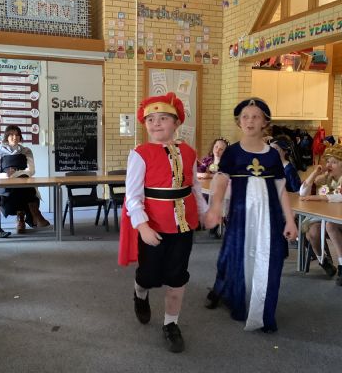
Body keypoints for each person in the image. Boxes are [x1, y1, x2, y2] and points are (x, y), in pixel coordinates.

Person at [118, 92, 210, 353]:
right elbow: (133, 196)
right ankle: (140, 293)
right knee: (148, 276)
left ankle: (171, 324)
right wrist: (142, 226)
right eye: (150, 119)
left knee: (177, 277)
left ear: (176, 122)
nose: (156, 123)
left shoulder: (189, 152)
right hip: (153, 227)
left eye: (163, 118)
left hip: (184, 226)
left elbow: (194, 187)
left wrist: (204, 212)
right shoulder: (140, 153)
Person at [205, 97, 297, 333]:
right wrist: (215, 207)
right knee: (235, 259)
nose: (250, 121)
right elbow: (221, 181)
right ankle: (232, 297)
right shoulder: (232, 153)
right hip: (241, 217)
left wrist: (289, 220)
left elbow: (280, 188)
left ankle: (264, 313)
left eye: (256, 117)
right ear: (239, 122)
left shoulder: (272, 155)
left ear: (265, 122)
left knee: (270, 261)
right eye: (245, 117)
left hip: (270, 218)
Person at [0, 125, 50, 234]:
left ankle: (21, 219)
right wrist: (8, 175)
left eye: (17, 135)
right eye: (11, 135)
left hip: (23, 181)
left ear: (20, 137)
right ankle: (32, 215)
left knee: (23, 187)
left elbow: (31, 170)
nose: (15, 137)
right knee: (23, 190)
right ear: (6, 137)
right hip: (6, 184)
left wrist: (16, 174)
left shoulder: (26, 151)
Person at [299, 143, 342, 285]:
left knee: (330, 225)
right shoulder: (325, 178)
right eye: (328, 161)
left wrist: (317, 197)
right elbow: (302, 193)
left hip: (338, 219)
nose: (329, 165)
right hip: (323, 216)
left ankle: (341, 264)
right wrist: (314, 173)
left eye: (334, 162)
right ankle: (323, 260)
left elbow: (339, 197)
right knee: (312, 233)